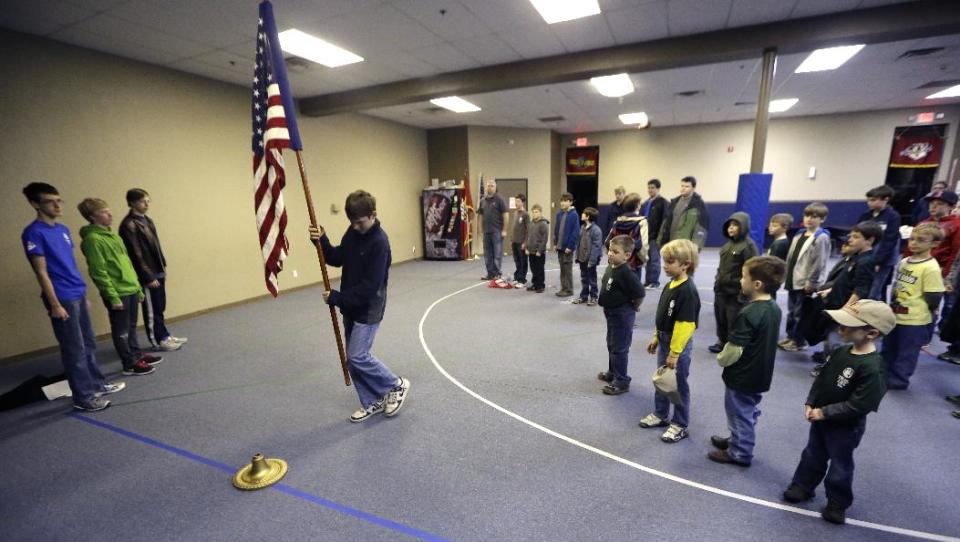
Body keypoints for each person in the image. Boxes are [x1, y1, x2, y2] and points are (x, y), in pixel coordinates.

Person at [782, 300, 895, 525]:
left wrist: (825, 412)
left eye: (848, 326)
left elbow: (860, 404)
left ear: (871, 333)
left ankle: (837, 501)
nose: (840, 329)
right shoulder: (841, 351)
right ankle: (803, 486)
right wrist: (811, 401)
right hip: (821, 418)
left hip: (845, 427)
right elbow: (823, 379)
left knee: (840, 464)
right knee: (812, 454)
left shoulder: (874, 367)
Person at [21, 182, 124, 412]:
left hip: (77, 293)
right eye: (50, 201)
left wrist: (83, 293)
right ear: (35, 204)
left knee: (89, 343)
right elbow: (41, 271)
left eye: (59, 200)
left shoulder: (63, 230)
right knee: (74, 349)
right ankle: (83, 397)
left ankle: (97, 384)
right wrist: (55, 304)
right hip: (62, 299)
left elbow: (71, 265)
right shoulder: (33, 233)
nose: (57, 205)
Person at [309, 190, 410, 422]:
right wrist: (321, 239)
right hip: (350, 305)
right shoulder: (353, 233)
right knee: (352, 360)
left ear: (373, 215)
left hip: (369, 307)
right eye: (351, 223)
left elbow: (369, 288)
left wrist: (337, 298)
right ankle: (372, 400)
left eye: (360, 222)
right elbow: (336, 258)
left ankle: (396, 384)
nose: (355, 227)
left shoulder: (380, 243)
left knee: (357, 356)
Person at [709, 256, 785, 467]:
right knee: (748, 410)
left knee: (738, 412)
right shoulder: (773, 308)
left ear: (757, 284)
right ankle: (737, 439)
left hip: (743, 375)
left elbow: (734, 348)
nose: (740, 281)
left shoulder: (750, 312)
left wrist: (721, 359)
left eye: (743, 277)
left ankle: (740, 452)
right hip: (760, 372)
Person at [77, 198, 161, 377]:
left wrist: (138, 287)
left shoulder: (113, 235)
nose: (110, 214)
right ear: (93, 217)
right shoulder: (93, 240)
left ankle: (136, 354)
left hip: (130, 287)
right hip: (117, 292)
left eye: (109, 210)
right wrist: (112, 296)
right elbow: (99, 271)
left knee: (131, 327)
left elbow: (128, 264)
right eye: (105, 212)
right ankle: (129, 364)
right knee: (121, 331)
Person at [640, 239, 701, 443]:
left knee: (678, 384)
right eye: (665, 261)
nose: (665, 265)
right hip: (665, 339)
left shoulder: (687, 291)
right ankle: (660, 414)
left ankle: (680, 423)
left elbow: (685, 325)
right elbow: (662, 315)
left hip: (678, 346)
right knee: (663, 380)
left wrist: (675, 352)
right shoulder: (670, 284)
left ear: (685, 265)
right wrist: (657, 337)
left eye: (670, 262)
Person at [119, 188, 186, 352]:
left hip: (158, 269)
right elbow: (136, 254)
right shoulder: (129, 225)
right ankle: (157, 340)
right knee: (151, 310)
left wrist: (162, 266)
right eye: (143, 201)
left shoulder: (147, 220)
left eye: (148, 201)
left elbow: (155, 246)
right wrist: (147, 276)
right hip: (148, 274)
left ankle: (164, 335)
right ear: (132, 203)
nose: (147, 204)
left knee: (160, 306)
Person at [883, 223, 945, 390]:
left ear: (934, 244)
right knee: (889, 346)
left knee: (907, 352)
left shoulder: (931, 268)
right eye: (912, 239)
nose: (914, 243)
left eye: (920, 240)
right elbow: (897, 285)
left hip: (915, 319)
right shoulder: (904, 262)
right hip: (897, 314)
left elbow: (934, 295)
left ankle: (899, 379)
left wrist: (931, 311)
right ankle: (883, 372)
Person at [811, 223, 879, 368]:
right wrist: (830, 291)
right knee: (829, 337)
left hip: (844, 309)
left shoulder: (866, 261)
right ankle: (827, 364)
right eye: (851, 236)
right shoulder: (856, 256)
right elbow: (846, 281)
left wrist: (847, 311)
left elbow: (860, 289)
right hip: (835, 304)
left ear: (870, 240)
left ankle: (834, 369)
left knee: (836, 340)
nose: (850, 240)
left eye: (856, 237)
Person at [905, 189, 960, 332]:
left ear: (951, 207)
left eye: (939, 203)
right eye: (931, 203)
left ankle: (925, 334)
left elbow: (955, 253)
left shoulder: (956, 225)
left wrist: (948, 277)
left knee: (930, 304)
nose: (933, 207)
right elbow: (911, 246)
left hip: (938, 270)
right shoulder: (923, 223)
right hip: (916, 267)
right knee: (912, 297)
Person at [597, 235, 646, 395]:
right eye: (610, 250)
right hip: (610, 313)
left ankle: (622, 380)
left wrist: (635, 307)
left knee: (620, 348)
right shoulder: (612, 266)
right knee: (611, 344)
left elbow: (639, 293)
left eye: (615, 252)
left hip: (622, 314)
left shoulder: (626, 272)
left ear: (627, 255)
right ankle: (613, 373)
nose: (610, 254)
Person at [780, 203, 831, 352]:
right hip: (793, 279)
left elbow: (819, 263)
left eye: (814, 217)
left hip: (805, 282)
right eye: (807, 216)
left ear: (822, 219)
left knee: (799, 313)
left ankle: (799, 341)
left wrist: (812, 282)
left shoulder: (821, 237)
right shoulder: (799, 234)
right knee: (791, 311)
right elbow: (791, 257)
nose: (810, 219)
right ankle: (790, 336)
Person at [709, 212, 759, 354]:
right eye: (729, 225)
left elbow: (752, 270)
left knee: (733, 320)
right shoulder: (727, 245)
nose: (731, 228)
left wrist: (745, 291)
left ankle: (733, 346)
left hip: (735, 292)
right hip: (721, 289)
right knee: (721, 317)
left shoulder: (748, 246)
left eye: (735, 225)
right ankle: (722, 341)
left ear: (743, 227)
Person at [858, 186, 900, 301]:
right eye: (868, 200)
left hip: (882, 260)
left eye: (873, 200)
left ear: (885, 199)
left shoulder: (893, 217)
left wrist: (878, 261)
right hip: (866, 256)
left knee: (874, 290)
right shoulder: (866, 216)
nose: (869, 203)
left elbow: (889, 241)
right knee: (862, 287)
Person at [604, 192, 649, 286]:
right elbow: (643, 245)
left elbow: (607, 242)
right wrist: (644, 259)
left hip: (617, 262)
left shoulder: (617, 221)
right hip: (633, 263)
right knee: (632, 290)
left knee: (617, 288)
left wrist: (612, 257)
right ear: (637, 205)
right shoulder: (642, 222)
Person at [659, 176, 710, 251]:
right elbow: (665, 223)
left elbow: (701, 228)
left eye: (687, 186)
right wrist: (660, 240)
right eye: (682, 186)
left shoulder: (699, 205)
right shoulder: (674, 202)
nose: (683, 188)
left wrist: (696, 246)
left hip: (686, 247)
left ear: (693, 188)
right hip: (670, 244)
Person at [477, 180, 509, 281]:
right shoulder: (483, 200)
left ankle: (497, 273)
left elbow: (506, 215)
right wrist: (480, 229)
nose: (490, 188)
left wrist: (504, 230)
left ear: (495, 188)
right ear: (486, 188)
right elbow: (480, 216)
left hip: (497, 231)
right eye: (488, 186)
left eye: (492, 186)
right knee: (487, 254)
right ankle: (490, 273)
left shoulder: (500, 199)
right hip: (486, 232)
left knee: (497, 253)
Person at [573, 207, 603, 306]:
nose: (582, 214)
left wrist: (592, 260)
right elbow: (579, 243)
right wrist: (577, 256)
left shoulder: (596, 230)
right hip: (582, 258)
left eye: (583, 213)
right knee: (584, 278)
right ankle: (584, 296)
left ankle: (594, 297)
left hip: (590, 260)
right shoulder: (582, 228)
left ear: (588, 216)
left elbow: (597, 247)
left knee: (592, 279)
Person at [642, 179, 667, 288]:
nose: (650, 190)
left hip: (656, 236)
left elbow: (665, 221)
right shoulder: (646, 203)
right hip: (645, 235)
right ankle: (648, 281)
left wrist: (661, 237)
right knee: (647, 259)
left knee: (654, 260)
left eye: (652, 188)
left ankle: (654, 281)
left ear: (658, 188)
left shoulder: (663, 202)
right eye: (649, 187)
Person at [554, 192, 580, 297]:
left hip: (567, 247)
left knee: (567, 269)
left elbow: (575, 232)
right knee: (562, 269)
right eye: (562, 201)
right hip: (560, 246)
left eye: (565, 201)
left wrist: (570, 246)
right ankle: (563, 287)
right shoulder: (559, 214)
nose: (563, 203)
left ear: (570, 202)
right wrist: (555, 243)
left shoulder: (574, 215)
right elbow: (556, 229)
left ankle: (569, 289)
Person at [525, 204, 549, 293]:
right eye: (533, 212)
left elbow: (544, 239)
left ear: (540, 212)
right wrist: (527, 248)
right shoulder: (531, 223)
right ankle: (535, 284)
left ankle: (540, 285)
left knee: (539, 269)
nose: (534, 214)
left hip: (539, 252)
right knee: (533, 268)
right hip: (531, 250)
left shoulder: (543, 224)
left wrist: (540, 250)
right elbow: (529, 237)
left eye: (536, 212)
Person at [510, 194, 529, 287]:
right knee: (517, 260)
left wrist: (525, 242)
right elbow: (514, 227)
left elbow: (528, 229)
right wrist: (511, 239)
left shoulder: (525, 214)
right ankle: (517, 277)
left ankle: (522, 280)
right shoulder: (515, 213)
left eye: (518, 201)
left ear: (522, 202)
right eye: (515, 201)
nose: (516, 203)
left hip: (521, 242)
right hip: (514, 241)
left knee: (523, 261)